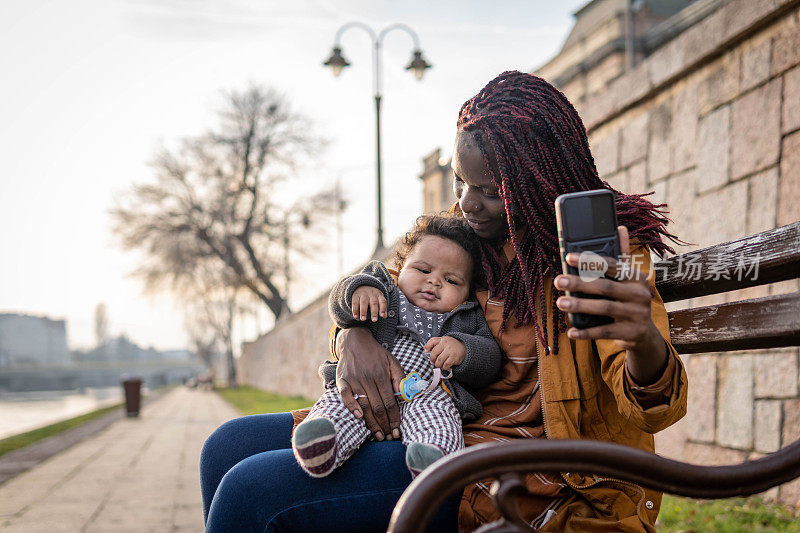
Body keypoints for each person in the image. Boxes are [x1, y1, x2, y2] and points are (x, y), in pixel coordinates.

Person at [200, 71, 688, 532]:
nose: (468, 202)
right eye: (461, 182)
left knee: (250, 492)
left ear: (535, 181)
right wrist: (355, 332)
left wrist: (642, 336)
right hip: (436, 421)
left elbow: (653, 409)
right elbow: (384, 288)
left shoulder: (599, 254)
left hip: (527, 475)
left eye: (489, 190)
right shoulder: (464, 230)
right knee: (225, 446)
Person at [292, 214, 501, 478]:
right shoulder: (383, 290)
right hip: (364, 387)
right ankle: (323, 440)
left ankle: (432, 461)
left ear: (468, 290)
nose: (434, 282)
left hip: (428, 393)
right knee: (342, 404)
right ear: (400, 267)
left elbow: (490, 358)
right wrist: (358, 291)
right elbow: (339, 302)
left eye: (452, 281)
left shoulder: (467, 315)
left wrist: (463, 349)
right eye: (423, 270)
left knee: (440, 418)